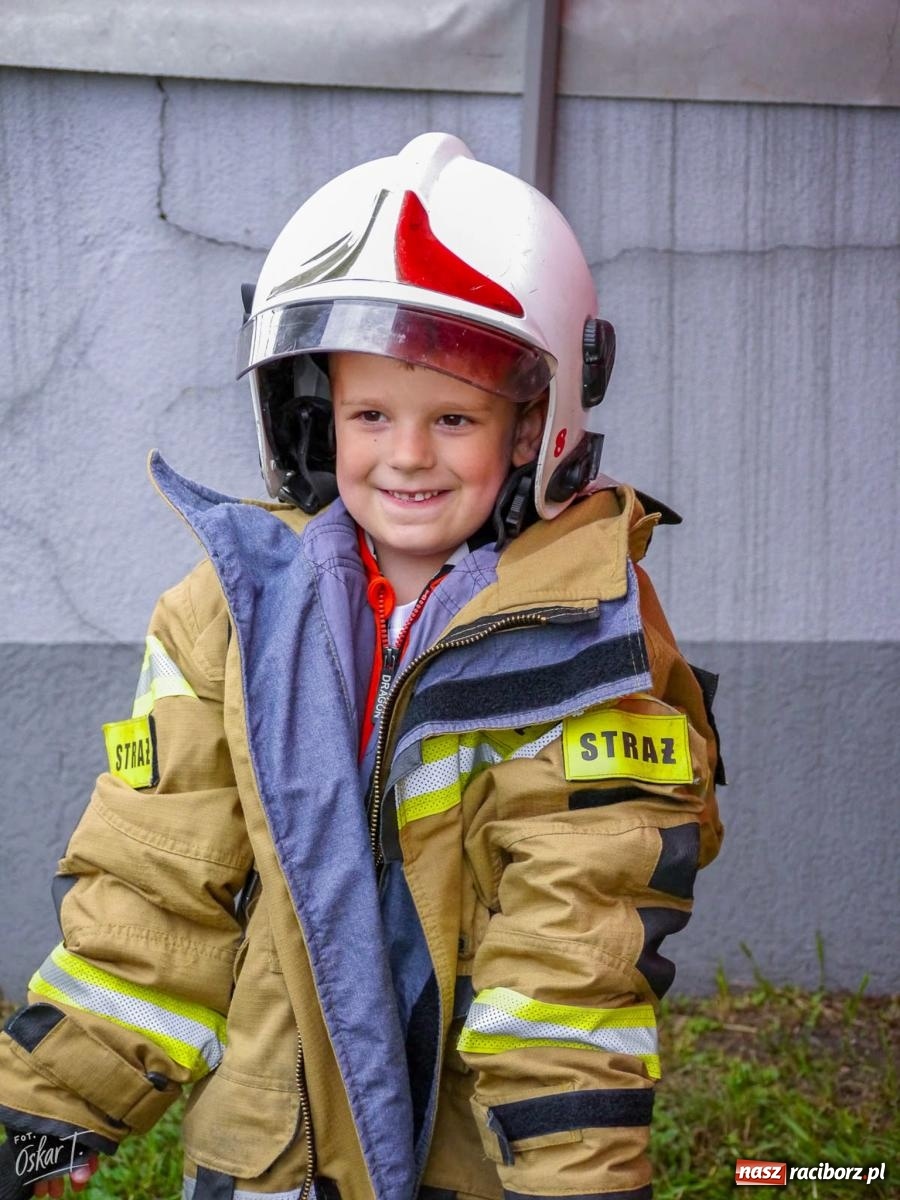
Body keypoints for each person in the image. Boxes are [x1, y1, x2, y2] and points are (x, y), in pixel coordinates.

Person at [0, 133, 723, 1200]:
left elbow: (571, 959)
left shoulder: (590, 637)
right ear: (310, 412)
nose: (408, 454)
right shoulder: (224, 616)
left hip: (464, 1162)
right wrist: (36, 1134)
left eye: (454, 418)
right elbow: (153, 903)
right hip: (266, 1160)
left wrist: (578, 1177)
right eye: (370, 413)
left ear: (536, 427)